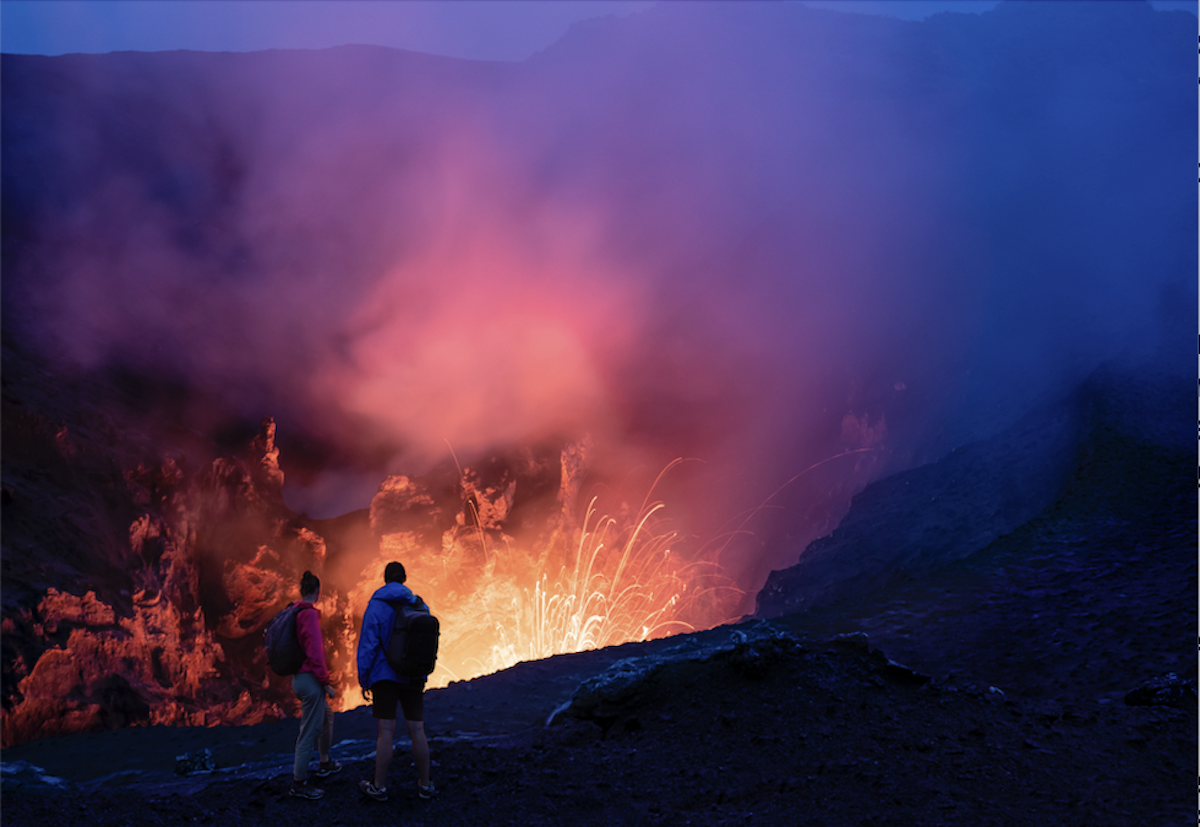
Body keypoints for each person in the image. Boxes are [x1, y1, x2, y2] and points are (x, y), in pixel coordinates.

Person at [356, 561, 435, 802]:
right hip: (413, 676)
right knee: (417, 729)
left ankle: (379, 787)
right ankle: (426, 784)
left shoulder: (376, 607)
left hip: (384, 678)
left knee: (386, 732)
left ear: (385, 579)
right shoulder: (419, 604)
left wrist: (364, 679)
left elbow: (368, 646)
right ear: (404, 579)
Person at [289, 570, 342, 800]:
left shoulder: (294, 611)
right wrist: (325, 683)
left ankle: (324, 762)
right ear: (318, 592)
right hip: (310, 681)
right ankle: (299, 783)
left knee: (327, 716)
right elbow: (316, 653)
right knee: (308, 732)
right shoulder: (308, 615)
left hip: (299, 678)